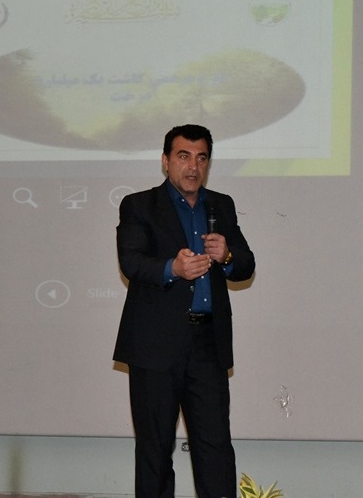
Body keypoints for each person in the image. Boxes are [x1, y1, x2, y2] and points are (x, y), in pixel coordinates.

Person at [114, 124, 255, 498]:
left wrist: (226, 255)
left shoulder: (221, 205)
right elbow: (131, 262)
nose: (193, 166)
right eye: (183, 156)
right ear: (165, 161)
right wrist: (172, 268)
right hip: (155, 346)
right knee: (155, 450)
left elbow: (245, 264)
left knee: (215, 448)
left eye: (201, 158)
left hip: (207, 344)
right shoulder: (139, 205)